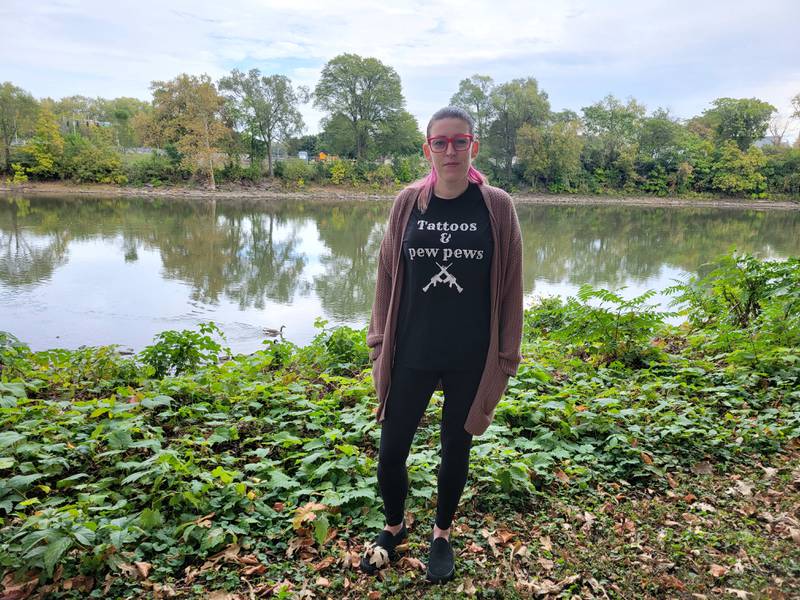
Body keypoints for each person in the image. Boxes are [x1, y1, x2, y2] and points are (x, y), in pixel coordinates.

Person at [360, 106, 524, 583]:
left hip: (469, 356)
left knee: (456, 449)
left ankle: (441, 534)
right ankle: (395, 526)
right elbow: (386, 276)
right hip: (410, 351)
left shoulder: (497, 207)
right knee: (391, 452)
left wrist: (505, 357)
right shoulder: (408, 203)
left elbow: (512, 287)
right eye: (440, 142)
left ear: (473, 147)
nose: (449, 150)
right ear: (427, 147)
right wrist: (377, 342)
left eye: (460, 141)